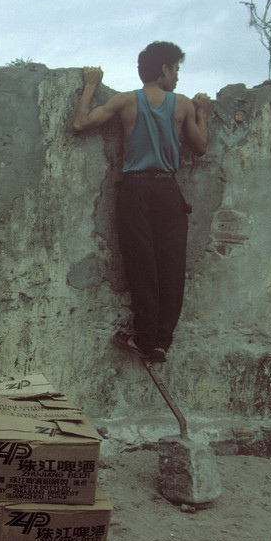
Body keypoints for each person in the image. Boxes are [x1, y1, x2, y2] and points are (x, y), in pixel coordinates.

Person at [72, 41, 210, 364]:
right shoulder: (184, 105)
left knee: (141, 265)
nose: (176, 76)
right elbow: (200, 147)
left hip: (134, 192)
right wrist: (203, 112)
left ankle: (145, 337)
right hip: (167, 191)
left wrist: (90, 85)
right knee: (171, 267)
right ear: (164, 69)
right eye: (175, 69)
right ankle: (160, 341)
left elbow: (79, 124)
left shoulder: (124, 101)